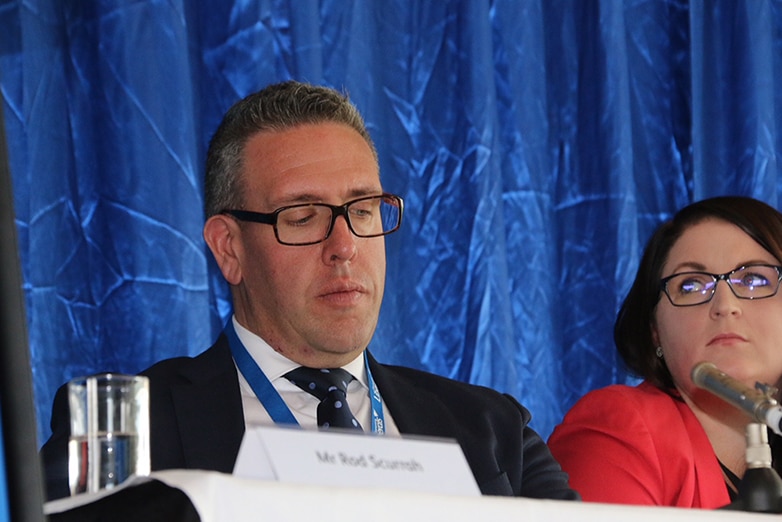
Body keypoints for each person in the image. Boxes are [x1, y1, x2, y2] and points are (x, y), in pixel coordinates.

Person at [41, 80, 578, 502]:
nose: (344, 245)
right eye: (302, 217)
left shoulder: (492, 429)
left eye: (363, 210)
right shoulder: (129, 433)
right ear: (229, 248)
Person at [548, 196, 782, 508]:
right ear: (655, 331)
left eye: (754, 279)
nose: (726, 305)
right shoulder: (619, 428)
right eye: (690, 285)